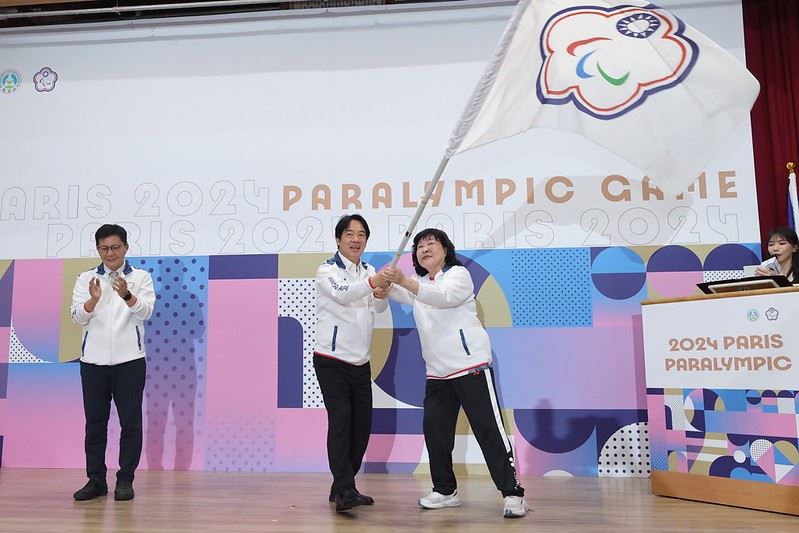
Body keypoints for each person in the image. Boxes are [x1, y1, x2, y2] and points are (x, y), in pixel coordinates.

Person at [380, 228, 527, 519]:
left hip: (470, 366)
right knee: (436, 433)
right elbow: (405, 293)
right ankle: (445, 491)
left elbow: (442, 297)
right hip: (437, 374)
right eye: (419, 246)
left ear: (445, 249)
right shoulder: (421, 284)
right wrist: (384, 286)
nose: (424, 249)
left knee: (489, 430)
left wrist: (403, 282)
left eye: (431, 243)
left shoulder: (458, 275)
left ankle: (512, 494)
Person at [69, 224, 156, 501]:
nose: (110, 253)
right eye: (104, 248)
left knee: (131, 423)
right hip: (92, 363)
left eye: (115, 247)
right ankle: (96, 480)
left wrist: (127, 295)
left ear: (126, 247)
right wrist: (92, 301)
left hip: (130, 361)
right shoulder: (86, 279)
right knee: (95, 423)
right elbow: (76, 317)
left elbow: (146, 312)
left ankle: (125, 479)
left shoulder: (140, 277)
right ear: (98, 250)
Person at [314, 214, 389, 512]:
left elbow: (378, 307)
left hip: (361, 361)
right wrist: (372, 283)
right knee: (341, 421)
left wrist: (381, 293)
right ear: (338, 239)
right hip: (331, 360)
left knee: (362, 427)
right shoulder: (327, 270)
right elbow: (343, 294)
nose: (356, 239)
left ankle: (342, 486)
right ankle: (345, 490)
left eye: (361, 235)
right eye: (349, 234)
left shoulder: (368, 270)